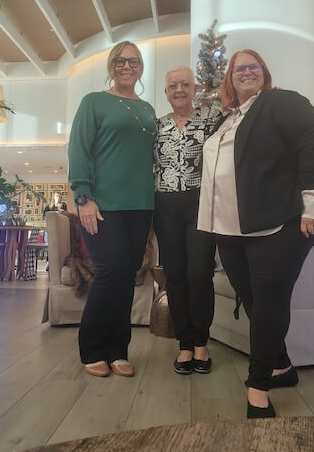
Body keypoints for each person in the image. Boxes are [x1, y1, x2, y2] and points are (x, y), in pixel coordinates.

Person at [197, 49, 314, 418]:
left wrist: (312, 200)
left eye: (253, 66)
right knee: (253, 300)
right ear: (229, 78)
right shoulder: (227, 118)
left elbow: (312, 140)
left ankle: (258, 389)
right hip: (228, 228)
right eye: (238, 68)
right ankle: (281, 366)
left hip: (278, 223)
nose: (246, 72)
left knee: (269, 300)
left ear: (264, 72)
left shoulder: (281, 102)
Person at [68, 41, 156, 378]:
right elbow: (79, 150)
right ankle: (92, 349)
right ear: (111, 65)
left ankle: (118, 350)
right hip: (103, 205)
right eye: (120, 60)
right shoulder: (93, 102)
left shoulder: (147, 109)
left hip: (141, 205)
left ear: (141, 67)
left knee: (127, 276)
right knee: (109, 272)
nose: (126, 66)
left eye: (133, 61)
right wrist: (83, 197)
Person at [153, 66, 220, 375]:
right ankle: (185, 344)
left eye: (184, 84)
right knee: (176, 275)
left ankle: (201, 341)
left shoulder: (211, 119)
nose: (178, 90)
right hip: (165, 206)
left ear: (194, 89)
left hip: (200, 204)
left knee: (200, 273)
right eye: (172, 86)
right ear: (166, 92)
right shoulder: (157, 126)